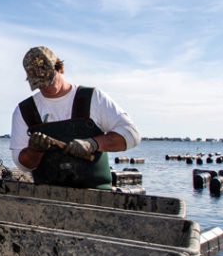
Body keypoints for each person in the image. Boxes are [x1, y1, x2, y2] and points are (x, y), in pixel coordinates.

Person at [10, 46, 140, 189]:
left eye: (49, 78)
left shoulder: (92, 98)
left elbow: (131, 134)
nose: (47, 87)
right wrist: (34, 151)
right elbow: (22, 163)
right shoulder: (25, 111)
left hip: (97, 195)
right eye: (39, 83)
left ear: (58, 67)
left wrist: (93, 144)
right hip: (48, 196)